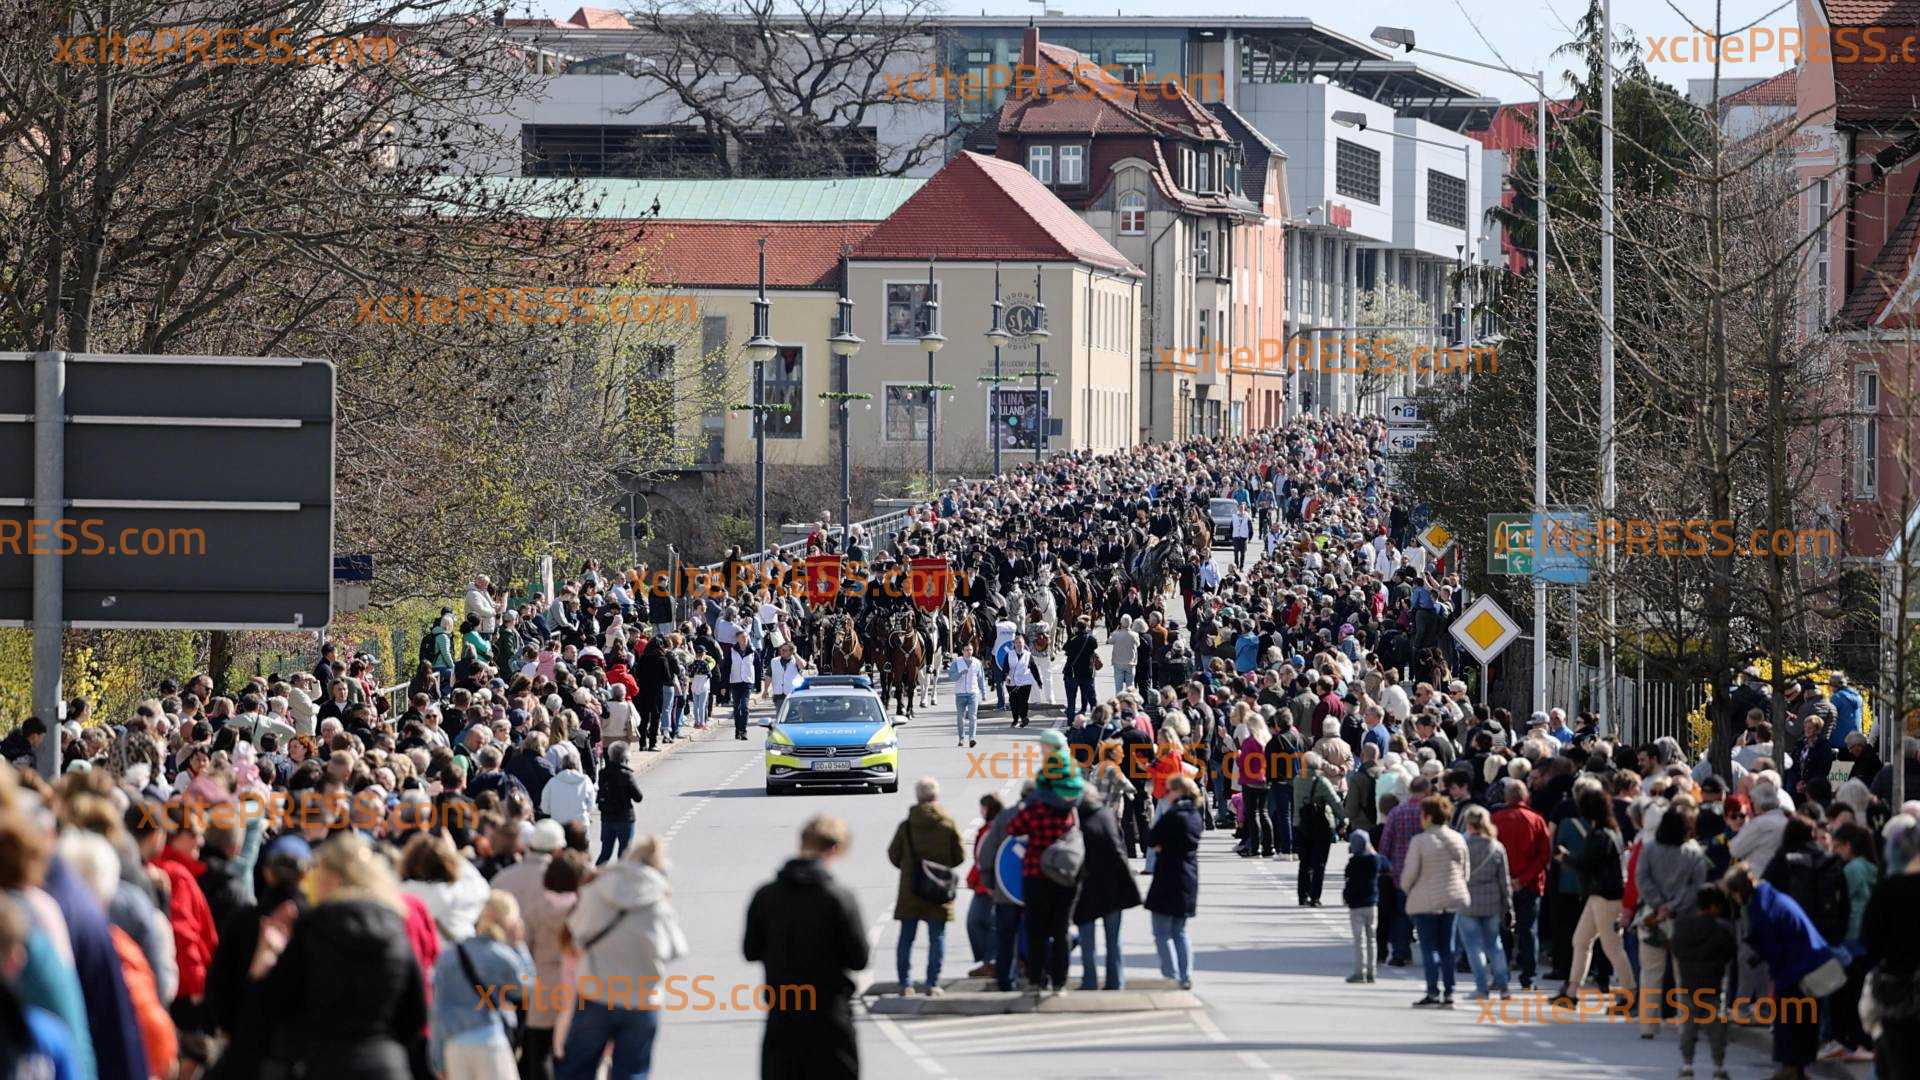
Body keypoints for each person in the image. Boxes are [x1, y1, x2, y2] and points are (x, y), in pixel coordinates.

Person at [248, 833, 428, 1080]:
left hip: (324, 1062)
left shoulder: (314, 927)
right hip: (383, 1063)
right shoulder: (394, 928)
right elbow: (416, 1013)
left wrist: (265, 962)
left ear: (330, 878)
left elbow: (274, 1005)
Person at [744, 815, 869, 1080]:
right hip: (829, 1014)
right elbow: (859, 958)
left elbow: (751, 950)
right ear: (834, 849)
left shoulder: (766, 895)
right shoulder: (839, 897)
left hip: (783, 1012)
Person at [560, 835, 686, 1080]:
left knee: (578, 1069)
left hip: (595, 993)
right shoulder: (657, 903)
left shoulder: (597, 890)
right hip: (641, 999)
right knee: (633, 1071)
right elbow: (674, 949)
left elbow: (575, 931)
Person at [1725, 860, 1838, 1080]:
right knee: (1802, 1019)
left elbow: (1772, 947)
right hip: (1809, 960)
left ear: (1739, 891)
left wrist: (1772, 971)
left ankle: (1791, 1068)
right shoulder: (1772, 898)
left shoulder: (1763, 909)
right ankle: (1797, 1068)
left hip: (1798, 968)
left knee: (1791, 1020)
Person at [1004, 732, 1084, 994]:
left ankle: (1037, 979)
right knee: (1060, 930)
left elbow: (1014, 828)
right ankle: (1060, 981)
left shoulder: (1035, 806)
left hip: (1035, 873)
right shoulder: (1071, 809)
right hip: (1065, 874)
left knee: (1036, 929)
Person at [429, 890, 534, 1080]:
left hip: (455, 1045)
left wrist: (437, 1057)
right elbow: (527, 989)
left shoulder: (448, 957)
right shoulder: (502, 956)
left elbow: (438, 1011)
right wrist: (520, 947)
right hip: (489, 1039)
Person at [1554, 788, 1637, 1010]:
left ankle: (1630, 994)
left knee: (1611, 947)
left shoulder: (1600, 834)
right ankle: (1571, 992)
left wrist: (1564, 857)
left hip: (1605, 896)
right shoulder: (1611, 831)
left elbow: (1586, 864)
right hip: (1601, 894)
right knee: (1581, 941)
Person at [886, 778, 966, 997]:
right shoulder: (947, 824)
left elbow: (893, 855)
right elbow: (960, 856)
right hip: (939, 890)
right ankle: (932, 983)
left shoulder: (907, 826)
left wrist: (909, 867)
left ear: (917, 796)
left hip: (910, 888)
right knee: (937, 938)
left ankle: (905, 984)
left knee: (906, 937)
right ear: (935, 797)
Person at [1636, 802, 1708, 1037]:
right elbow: (1696, 887)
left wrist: (1658, 905)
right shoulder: (1694, 852)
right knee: (1684, 974)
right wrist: (1674, 906)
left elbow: (1642, 879)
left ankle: (1648, 1024)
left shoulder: (1649, 849)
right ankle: (1686, 1023)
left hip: (1652, 918)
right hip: (1684, 920)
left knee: (1650, 973)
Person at [1399, 794, 1469, 1007]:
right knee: (1448, 947)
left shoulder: (1420, 841)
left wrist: (1406, 888)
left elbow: (1410, 873)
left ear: (1428, 816)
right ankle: (1449, 992)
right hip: (1451, 899)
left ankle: (1432, 991)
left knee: (1429, 947)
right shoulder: (1458, 839)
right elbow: (1465, 872)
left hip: (1426, 900)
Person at [1071, 783, 1141, 991]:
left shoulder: (1075, 820)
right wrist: (1127, 882)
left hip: (1086, 887)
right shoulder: (1107, 816)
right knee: (1113, 939)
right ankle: (1115, 981)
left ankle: (1089, 980)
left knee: (1087, 939)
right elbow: (1119, 849)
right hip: (1113, 886)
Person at [1670, 883, 1738, 1080]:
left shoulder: (1682, 926)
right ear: (1715, 906)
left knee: (1688, 1026)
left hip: (1688, 983)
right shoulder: (1722, 929)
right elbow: (1729, 953)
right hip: (1712, 984)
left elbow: (1676, 949)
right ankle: (1718, 1066)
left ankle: (1687, 1064)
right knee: (1716, 1028)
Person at [1144, 775, 1202, 990]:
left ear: (1178, 792)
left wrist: (1160, 845)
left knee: (1161, 932)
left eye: (1168, 791)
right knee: (1179, 931)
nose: (1166, 795)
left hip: (1167, 876)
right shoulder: (1195, 816)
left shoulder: (1172, 816)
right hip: (1188, 876)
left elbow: (1152, 839)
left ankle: (1170, 974)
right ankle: (1185, 976)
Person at [1458, 804, 1512, 1001]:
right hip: (1491, 902)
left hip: (1468, 901)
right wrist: (1508, 907)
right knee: (1494, 945)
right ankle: (1504, 986)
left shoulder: (1461, 844)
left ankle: (1481, 987)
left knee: (1473, 946)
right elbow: (1504, 880)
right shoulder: (1496, 847)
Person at [1293, 752, 1345, 906]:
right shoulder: (1322, 782)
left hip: (1301, 824)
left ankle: (1302, 895)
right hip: (1321, 826)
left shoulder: (1297, 780)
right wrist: (1345, 820)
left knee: (1304, 863)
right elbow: (1336, 803)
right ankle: (1315, 897)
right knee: (1319, 863)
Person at [596, 742, 643, 866]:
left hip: (607, 817)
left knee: (605, 853)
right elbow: (638, 797)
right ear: (625, 757)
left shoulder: (603, 773)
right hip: (624, 817)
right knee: (624, 854)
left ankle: (593, 879)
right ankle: (621, 881)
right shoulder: (626, 774)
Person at [1344, 830, 1380, 984]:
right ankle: (1372, 971)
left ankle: (1360, 971)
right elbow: (1382, 862)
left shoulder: (1353, 864)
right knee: (1372, 938)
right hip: (1371, 904)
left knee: (1359, 940)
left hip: (1356, 905)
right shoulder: (1374, 861)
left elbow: (1347, 879)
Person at [949, 643, 987, 749]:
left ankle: (972, 739)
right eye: (966, 650)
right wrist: (960, 673)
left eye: (970, 650)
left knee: (973, 716)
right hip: (960, 694)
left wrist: (984, 692)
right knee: (960, 718)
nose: (968, 652)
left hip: (973, 693)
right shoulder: (957, 662)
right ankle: (961, 738)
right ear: (962, 651)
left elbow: (981, 678)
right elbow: (951, 677)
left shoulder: (977, 663)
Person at [1004, 636, 1041, 729]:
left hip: (1025, 681)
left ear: (1024, 644)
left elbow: (1034, 668)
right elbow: (1005, 667)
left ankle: (1024, 718)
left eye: (1020, 643)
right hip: (1011, 681)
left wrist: (1038, 681)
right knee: (1013, 701)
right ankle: (1015, 719)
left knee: (1023, 701)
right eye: (1017, 643)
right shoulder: (1009, 654)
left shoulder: (1028, 655)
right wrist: (1006, 676)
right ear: (1014, 644)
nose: (1019, 645)